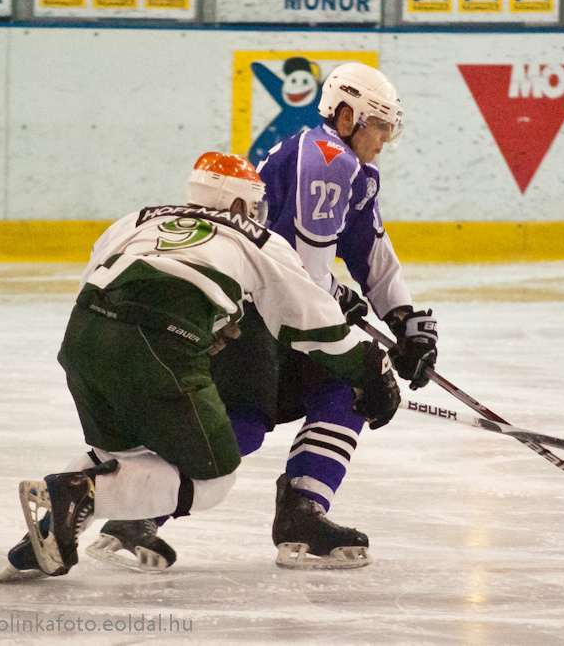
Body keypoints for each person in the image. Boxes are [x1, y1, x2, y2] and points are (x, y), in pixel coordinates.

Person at [83, 63, 439, 572]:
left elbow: (369, 251)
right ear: (346, 116)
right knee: (329, 389)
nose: (384, 138)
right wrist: (342, 301)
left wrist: (402, 318)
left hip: (252, 318)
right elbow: (309, 275)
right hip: (260, 319)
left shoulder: (343, 165)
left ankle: (139, 516)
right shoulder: (328, 158)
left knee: (258, 419)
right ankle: (296, 513)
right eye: (378, 125)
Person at [0, 152, 400, 582]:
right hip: (164, 344)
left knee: (121, 456)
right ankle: (77, 497)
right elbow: (315, 326)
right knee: (215, 478)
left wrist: (205, 322)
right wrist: (369, 368)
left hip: (83, 340)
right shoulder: (257, 238)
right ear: (241, 205)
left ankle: (38, 543)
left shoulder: (136, 219)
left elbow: (94, 284)